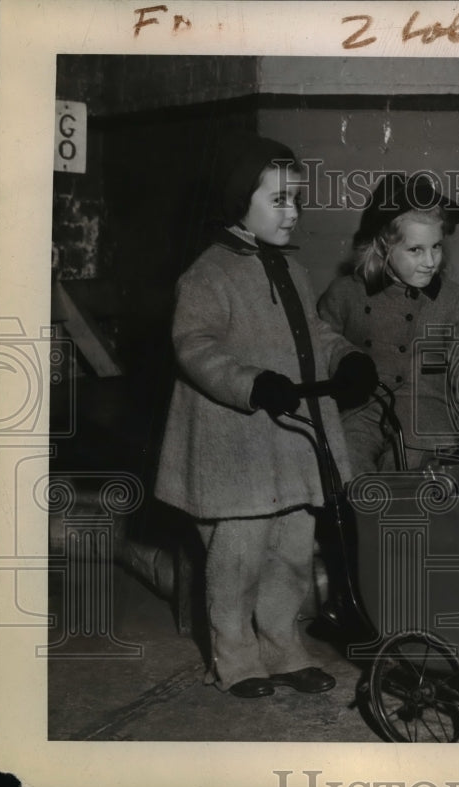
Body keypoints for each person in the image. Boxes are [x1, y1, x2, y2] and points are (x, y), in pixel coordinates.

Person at [154, 133, 378, 699]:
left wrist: (347, 357)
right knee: (238, 561)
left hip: (293, 444)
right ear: (238, 202)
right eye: (279, 199)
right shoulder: (207, 275)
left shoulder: (290, 270)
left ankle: (283, 648)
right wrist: (251, 383)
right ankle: (235, 659)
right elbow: (195, 347)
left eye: (296, 199)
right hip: (237, 447)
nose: (293, 211)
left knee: (292, 555)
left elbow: (316, 332)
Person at [318, 173, 459, 473]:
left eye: (436, 247)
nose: (430, 261)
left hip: (426, 422)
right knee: (345, 467)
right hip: (358, 414)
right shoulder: (345, 294)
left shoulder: (455, 301)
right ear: (384, 245)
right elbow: (320, 360)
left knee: (417, 486)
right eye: (415, 250)